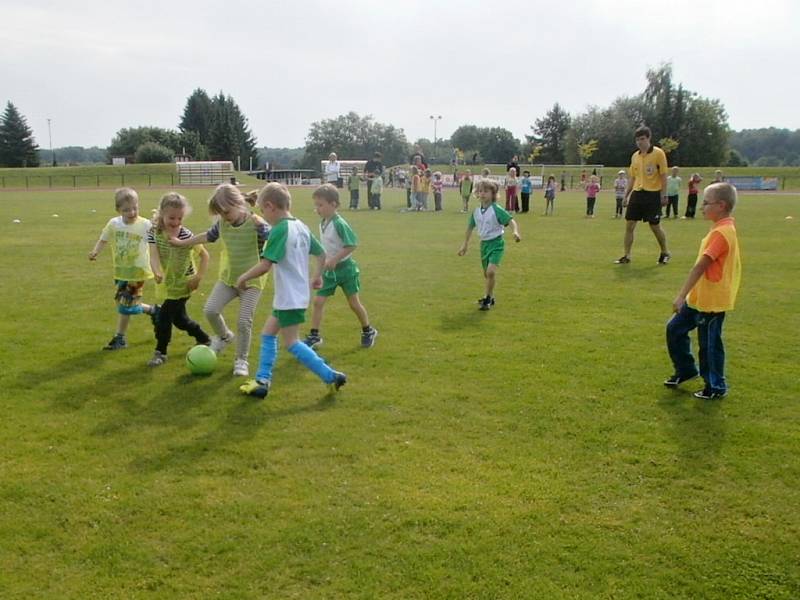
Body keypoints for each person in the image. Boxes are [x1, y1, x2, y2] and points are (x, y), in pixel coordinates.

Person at [236, 183, 346, 399]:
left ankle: (331, 375)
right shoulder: (301, 226)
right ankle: (262, 381)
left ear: (270, 206)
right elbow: (322, 254)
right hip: (294, 295)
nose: (263, 216)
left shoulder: (279, 230)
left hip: (289, 297)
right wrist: (317, 276)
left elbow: (265, 265)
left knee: (292, 342)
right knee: (268, 334)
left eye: (262, 211)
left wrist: (243, 277)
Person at [170, 184, 269, 377]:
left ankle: (242, 360)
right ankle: (224, 337)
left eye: (226, 212)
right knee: (210, 310)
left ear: (239, 203)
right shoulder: (223, 223)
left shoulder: (256, 223)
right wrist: (183, 243)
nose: (224, 217)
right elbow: (208, 236)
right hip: (229, 278)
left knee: (243, 321)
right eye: (220, 214)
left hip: (252, 283)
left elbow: (276, 237)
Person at [664, 182, 741, 399]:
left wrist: (680, 296)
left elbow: (700, 266)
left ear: (721, 206)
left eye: (706, 203)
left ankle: (715, 386)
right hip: (699, 297)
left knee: (709, 344)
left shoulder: (723, 232)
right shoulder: (719, 229)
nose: (702, 207)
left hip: (712, 301)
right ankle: (686, 369)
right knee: (675, 329)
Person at [302, 184, 378, 349]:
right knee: (318, 301)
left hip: (346, 270)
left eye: (320, 205)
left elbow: (352, 244)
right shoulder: (323, 222)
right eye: (316, 205)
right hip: (329, 272)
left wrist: (335, 259)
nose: (317, 209)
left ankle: (368, 330)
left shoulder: (339, 223)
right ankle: (315, 336)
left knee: (353, 303)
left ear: (334, 204)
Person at [88, 187, 157, 350]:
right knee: (125, 303)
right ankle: (154, 311)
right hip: (121, 271)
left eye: (135, 208)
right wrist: (95, 251)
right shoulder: (114, 224)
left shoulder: (145, 224)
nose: (132, 212)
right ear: (118, 210)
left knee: (125, 305)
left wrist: (158, 222)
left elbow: (159, 237)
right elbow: (103, 239)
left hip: (137, 271)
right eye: (126, 210)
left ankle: (120, 338)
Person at [147, 192, 211, 367]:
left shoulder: (185, 235)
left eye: (179, 218)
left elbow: (205, 255)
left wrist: (198, 277)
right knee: (180, 320)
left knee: (163, 317)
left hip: (185, 283)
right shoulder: (154, 232)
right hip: (168, 283)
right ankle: (203, 338)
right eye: (171, 218)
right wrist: (156, 271)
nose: (175, 223)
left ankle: (160, 352)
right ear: (162, 214)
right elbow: (153, 255)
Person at [457, 180, 521, 311]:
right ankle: (490, 297)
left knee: (490, 272)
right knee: (487, 274)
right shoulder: (476, 212)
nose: (482, 194)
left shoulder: (496, 210)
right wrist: (465, 245)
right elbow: (469, 228)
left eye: (486, 191)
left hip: (497, 244)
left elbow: (510, 221)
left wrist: (515, 231)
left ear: (493, 194)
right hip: (484, 245)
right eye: (480, 191)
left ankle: (487, 299)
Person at [614, 126, 671, 265]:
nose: (640, 142)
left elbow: (663, 175)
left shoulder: (658, 153)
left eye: (643, 139)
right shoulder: (635, 156)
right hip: (638, 193)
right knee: (630, 225)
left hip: (653, 194)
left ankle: (665, 252)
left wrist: (664, 194)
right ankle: (626, 255)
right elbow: (633, 177)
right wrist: (626, 195)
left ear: (648, 139)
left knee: (654, 226)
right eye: (638, 140)